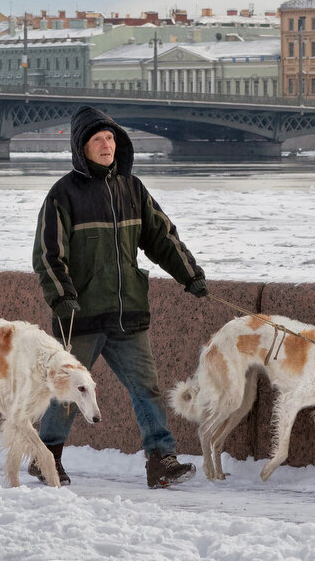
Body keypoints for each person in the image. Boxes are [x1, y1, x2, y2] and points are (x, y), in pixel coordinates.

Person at [31, 105, 209, 488]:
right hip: (80, 316)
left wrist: (189, 274)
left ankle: (161, 459)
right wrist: (62, 297)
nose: (106, 144)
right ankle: (46, 457)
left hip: (128, 313)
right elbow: (47, 255)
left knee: (148, 389)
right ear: (82, 147)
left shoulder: (133, 188)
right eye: (97, 139)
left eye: (110, 138)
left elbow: (162, 238)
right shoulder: (62, 194)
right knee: (67, 392)